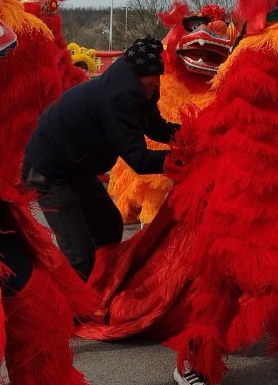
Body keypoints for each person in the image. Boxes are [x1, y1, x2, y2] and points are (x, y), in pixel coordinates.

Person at [22, 37, 179, 280]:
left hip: (77, 166)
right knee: (80, 257)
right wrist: (181, 159)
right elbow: (139, 160)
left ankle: (99, 284)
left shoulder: (140, 91)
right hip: (50, 172)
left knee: (109, 226)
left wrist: (188, 135)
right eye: (154, 77)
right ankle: (74, 299)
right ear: (139, 75)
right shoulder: (117, 98)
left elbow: (155, 127)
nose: (158, 83)